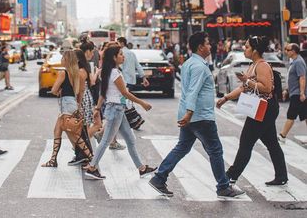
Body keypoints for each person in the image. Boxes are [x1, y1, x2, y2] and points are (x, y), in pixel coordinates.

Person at [150, 32, 244, 199]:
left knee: (182, 147)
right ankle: (223, 186)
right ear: (200, 47)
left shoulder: (188, 64)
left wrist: (187, 114)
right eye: (208, 43)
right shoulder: (200, 67)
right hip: (200, 116)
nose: (210, 46)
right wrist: (190, 113)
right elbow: (193, 91)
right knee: (215, 150)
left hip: (191, 116)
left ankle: (159, 177)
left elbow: (188, 91)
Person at [217, 35, 288, 187]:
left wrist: (247, 81)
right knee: (272, 143)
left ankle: (231, 176)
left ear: (255, 50)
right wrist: (226, 98)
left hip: (264, 108)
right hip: (263, 108)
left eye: (247, 46)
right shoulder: (253, 65)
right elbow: (243, 87)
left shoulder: (262, 65)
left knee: (246, 142)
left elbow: (267, 88)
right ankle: (282, 176)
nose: (245, 49)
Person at [85, 44, 154, 181]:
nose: (123, 56)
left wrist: (98, 109)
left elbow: (103, 93)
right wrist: (142, 103)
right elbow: (124, 93)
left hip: (118, 109)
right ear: (114, 57)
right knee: (105, 141)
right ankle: (92, 167)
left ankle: (141, 168)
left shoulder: (108, 71)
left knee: (130, 139)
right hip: (116, 109)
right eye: (121, 54)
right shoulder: (115, 73)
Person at [41, 50, 92, 168]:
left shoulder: (63, 73)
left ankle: (92, 160)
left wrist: (58, 90)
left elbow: (54, 90)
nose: (61, 59)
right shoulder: (76, 73)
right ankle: (53, 160)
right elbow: (79, 92)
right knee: (57, 130)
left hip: (66, 105)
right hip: (72, 104)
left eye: (63, 57)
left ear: (67, 60)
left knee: (75, 136)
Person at [279, 43, 307, 141]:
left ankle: (282, 136)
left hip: (298, 93)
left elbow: (302, 77)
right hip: (296, 92)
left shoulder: (298, 61)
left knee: (291, 114)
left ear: (294, 51)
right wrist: (286, 90)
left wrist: (302, 92)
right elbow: (292, 79)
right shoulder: (294, 61)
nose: (285, 51)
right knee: (305, 115)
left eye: (287, 49)